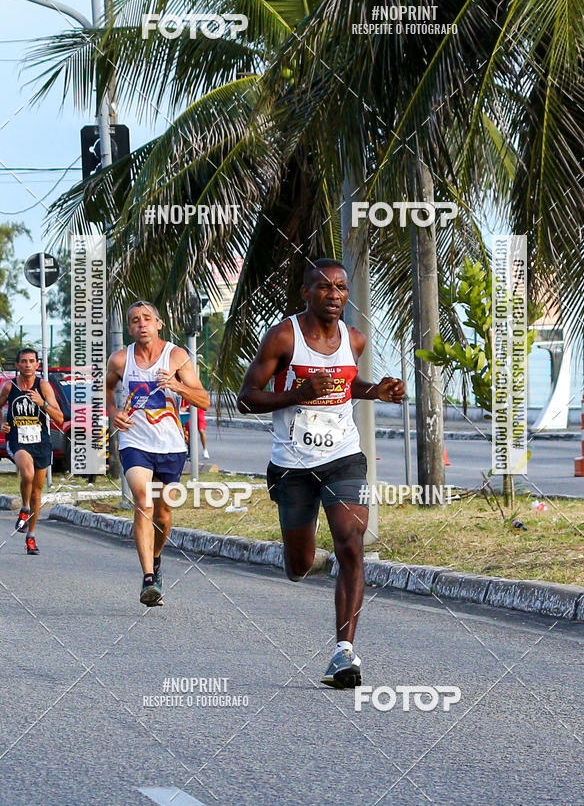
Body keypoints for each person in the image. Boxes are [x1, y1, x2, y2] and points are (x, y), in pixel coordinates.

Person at [237, 259, 405, 688]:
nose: (334, 295)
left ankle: (343, 653)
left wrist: (375, 391)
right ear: (306, 292)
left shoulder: (355, 339)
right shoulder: (283, 336)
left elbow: (346, 387)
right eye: (324, 287)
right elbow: (246, 398)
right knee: (301, 563)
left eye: (341, 288)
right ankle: (298, 556)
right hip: (292, 465)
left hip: (343, 457)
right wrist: (298, 393)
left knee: (351, 541)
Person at [106, 301, 210, 606]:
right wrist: (113, 412)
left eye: (147, 319)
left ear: (158, 324)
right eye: (135, 320)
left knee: (163, 516)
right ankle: (148, 578)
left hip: (171, 445)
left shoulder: (176, 356)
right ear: (129, 328)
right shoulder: (121, 359)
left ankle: (156, 556)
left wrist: (177, 386)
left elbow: (202, 399)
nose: (141, 324)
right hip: (134, 442)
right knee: (142, 502)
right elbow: (107, 389)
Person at [0, 348, 63, 555]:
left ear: (38, 365)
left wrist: (42, 403)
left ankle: (31, 536)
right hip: (18, 440)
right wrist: (2, 423)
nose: (27, 365)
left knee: (37, 492)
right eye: (23, 361)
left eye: (31, 361)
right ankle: (25, 509)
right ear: (17, 365)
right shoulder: (10, 387)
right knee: (27, 473)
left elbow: (59, 417)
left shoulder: (43, 386)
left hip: (41, 442)